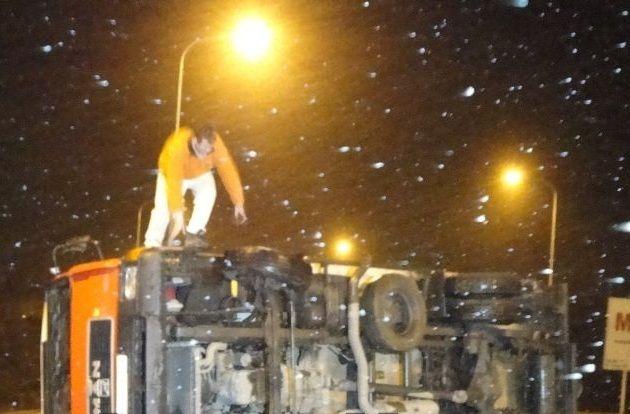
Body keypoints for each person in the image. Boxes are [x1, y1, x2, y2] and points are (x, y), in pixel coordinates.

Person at [144, 123, 247, 248]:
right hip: (172, 174)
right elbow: (174, 183)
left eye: (208, 152)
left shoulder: (216, 145)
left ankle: (193, 232)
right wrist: (178, 215)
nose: (203, 156)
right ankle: (152, 242)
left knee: (209, 192)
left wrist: (238, 202)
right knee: (164, 207)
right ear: (194, 140)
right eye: (200, 150)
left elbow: (228, 170)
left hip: (200, 173)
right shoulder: (177, 147)